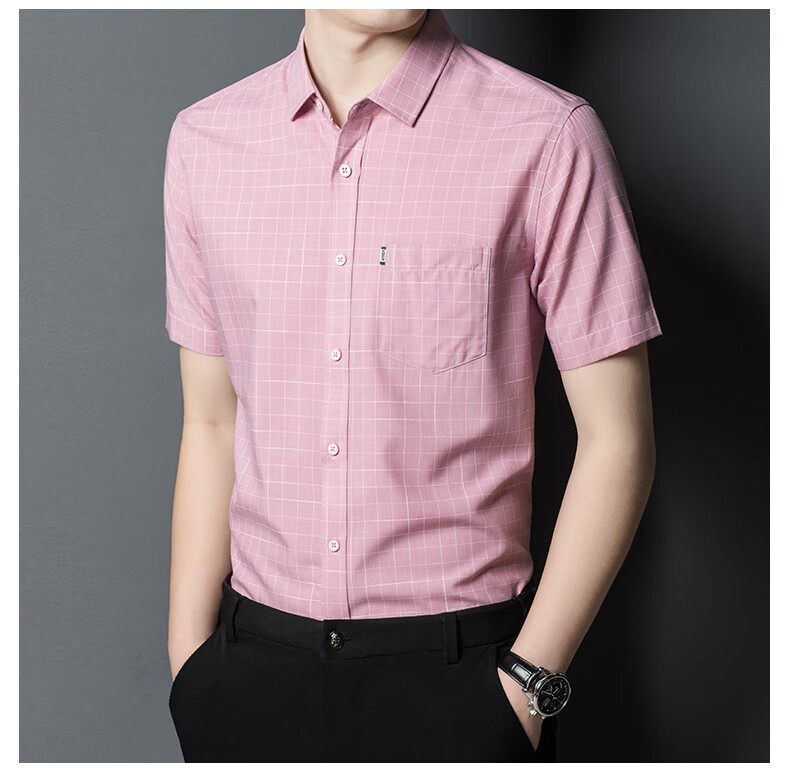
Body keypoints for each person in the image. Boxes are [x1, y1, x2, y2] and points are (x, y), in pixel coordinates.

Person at [163, 8, 662, 763]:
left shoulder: (547, 136)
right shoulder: (206, 142)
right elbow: (211, 423)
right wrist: (191, 668)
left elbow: (617, 438)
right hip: (251, 674)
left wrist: (526, 685)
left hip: (463, 683)